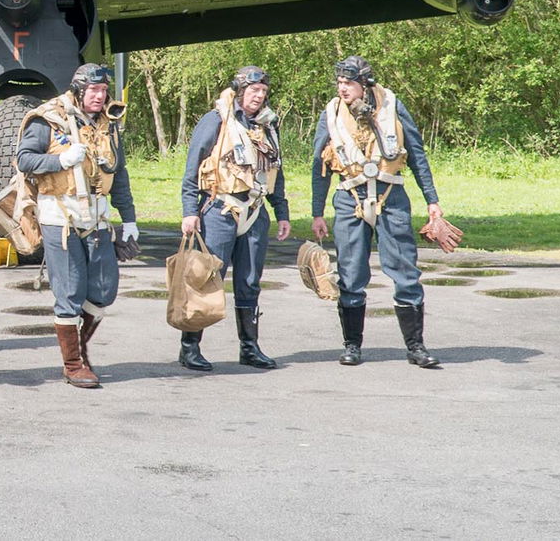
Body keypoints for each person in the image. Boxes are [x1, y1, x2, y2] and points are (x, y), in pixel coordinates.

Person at [312, 55, 444, 368]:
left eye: (349, 83)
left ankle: (416, 347)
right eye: (340, 83)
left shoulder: (392, 106)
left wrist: (432, 200)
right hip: (349, 198)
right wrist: (317, 212)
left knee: (405, 272)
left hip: (391, 195)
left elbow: (417, 154)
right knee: (351, 274)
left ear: (365, 83)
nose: (343, 88)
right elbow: (319, 166)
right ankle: (352, 346)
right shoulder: (330, 113)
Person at [15, 63, 136, 388]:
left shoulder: (107, 123)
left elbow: (118, 172)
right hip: (60, 217)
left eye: (103, 91)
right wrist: (61, 160)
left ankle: (80, 350)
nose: (100, 97)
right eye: (93, 91)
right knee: (69, 293)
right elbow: (24, 159)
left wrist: (130, 219)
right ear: (79, 91)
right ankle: (73, 364)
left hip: (97, 218)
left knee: (103, 291)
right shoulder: (49, 119)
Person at [178, 65, 290, 372]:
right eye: (254, 91)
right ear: (241, 91)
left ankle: (249, 348)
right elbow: (192, 168)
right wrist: (190, 211)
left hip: (255, 211)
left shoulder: (268, 127)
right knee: (207, 278)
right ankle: (190, 347)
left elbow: (274, 173)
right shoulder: (215, 120)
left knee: (250, 282)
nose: (259, 96)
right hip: (219, 210)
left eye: (264, 92)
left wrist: (282, 212)